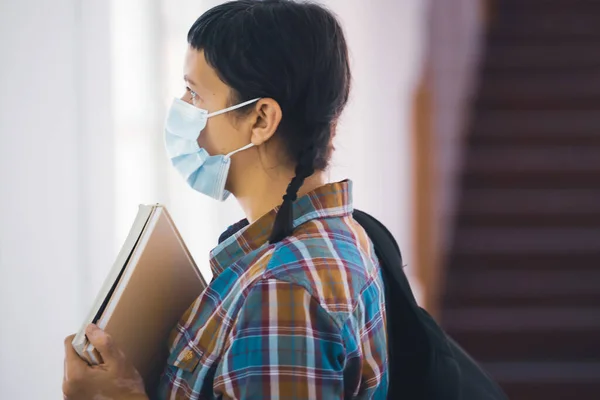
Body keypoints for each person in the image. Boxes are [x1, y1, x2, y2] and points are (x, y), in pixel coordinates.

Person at [62, 1, 388, 399]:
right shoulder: (340, 232)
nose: (182, 109)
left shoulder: (281, 290)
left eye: (195, 94)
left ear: (261, 120)